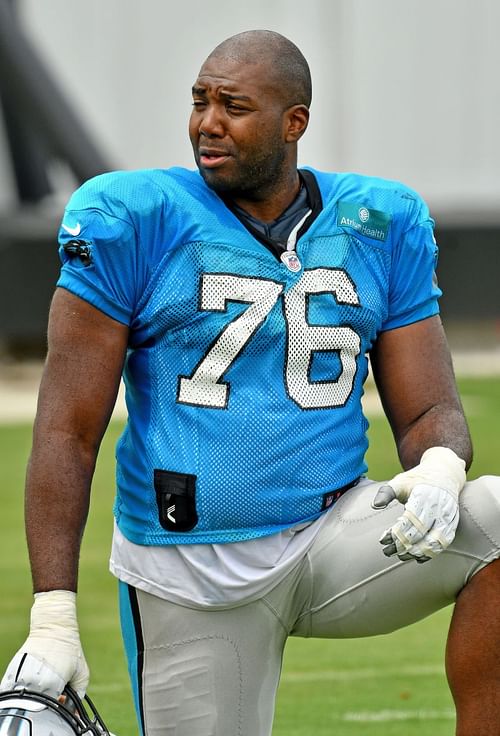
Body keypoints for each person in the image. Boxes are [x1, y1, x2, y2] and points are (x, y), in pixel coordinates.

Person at [1, 28, 500, 736]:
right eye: (200, 100)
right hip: (192, 574)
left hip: (335, 535)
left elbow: (427, 410)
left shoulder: (377, 223)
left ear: (293, 122)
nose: (207, 122)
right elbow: (66, 430)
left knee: (498, 518)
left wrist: (444, 467)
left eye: (233, 106)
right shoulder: (134, 219)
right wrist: (52, 614)